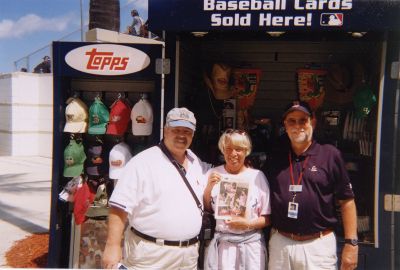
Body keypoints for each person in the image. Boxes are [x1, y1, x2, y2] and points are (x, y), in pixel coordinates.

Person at [102, 107, 211, 269]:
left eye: (187, 131)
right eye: (177, 130)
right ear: (165, 130)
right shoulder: (142, 163)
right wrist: (112, 245)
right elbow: (119, 208)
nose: (182, 135)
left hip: (188, 256)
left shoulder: (196, 162)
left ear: (193, 135)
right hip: (150, 255)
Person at [266, 101, 358, 270]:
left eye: (303, 120)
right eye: (292, 121)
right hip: (281, 243)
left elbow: (347, 201)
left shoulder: (330, 154)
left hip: (318, 245)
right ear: (285, 125)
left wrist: (351, 243)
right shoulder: (276, 156)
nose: (297, 125)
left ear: (313, 122)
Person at [203, 129, 271, 270]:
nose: (233, 154)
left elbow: (268, 217)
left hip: (251, 246)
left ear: (246, 151)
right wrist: (209, 188)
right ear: (222, 150)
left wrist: (248, 224)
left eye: (239, 149)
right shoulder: (213, 173)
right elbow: (207, 209)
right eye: (228, 149)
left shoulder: (258, 176)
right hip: (224, 247)